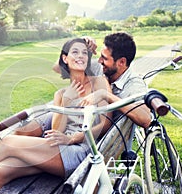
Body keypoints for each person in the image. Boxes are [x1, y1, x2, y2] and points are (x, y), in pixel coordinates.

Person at [0, 38, 113, 193]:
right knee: (0, 171)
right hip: (57, 151)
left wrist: (73, 138)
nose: (81, 56)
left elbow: (105, 124)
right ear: (65, 58)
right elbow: (57, 131)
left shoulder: (99, 83)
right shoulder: (61, 94)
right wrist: (65, 101)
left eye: (84, 53)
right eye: (75, 52)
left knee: (6, 142)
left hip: (81, 152)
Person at [14, 32, 151, 139]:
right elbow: (58, 68)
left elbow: (145, 120)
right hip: (72, 113)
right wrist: (79, 42)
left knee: (33, 144)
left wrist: (106, 95)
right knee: (20, 133)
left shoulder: (134, 84)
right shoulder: (102, 67)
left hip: (89, 126)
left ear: (121, 62)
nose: (100, 60)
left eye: (104, 58)